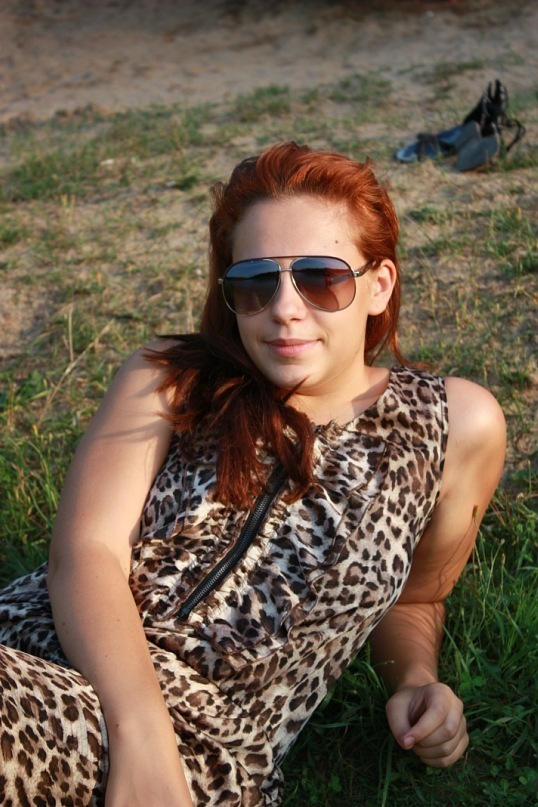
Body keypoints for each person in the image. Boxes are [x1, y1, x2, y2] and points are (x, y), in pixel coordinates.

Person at [0, 141, 506, 807]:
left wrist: (415, 680)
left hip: (210, 749)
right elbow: (86, 552)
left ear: (378, 284)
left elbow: (416, 595)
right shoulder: (171, 379)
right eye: (256, 283)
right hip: (46, 659)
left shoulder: (455, 423)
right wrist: (141, 734)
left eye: (322, 278)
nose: (285, 308)